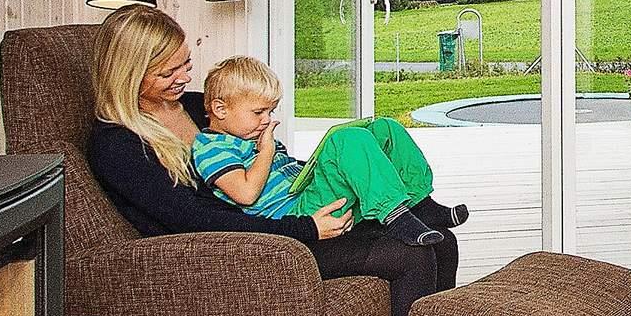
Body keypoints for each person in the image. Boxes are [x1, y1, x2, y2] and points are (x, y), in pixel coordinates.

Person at [85, 4, 499, 316]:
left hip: (277, 225)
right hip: (234, 254)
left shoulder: (194, 106)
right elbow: (196, 221)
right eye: (168, 72)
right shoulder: (118, 145)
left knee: (442, 243)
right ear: (130, 72)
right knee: (410, 255)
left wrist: (325, 178)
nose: (184, 77)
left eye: (186, 64)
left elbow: (269, 169)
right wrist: (304, 229)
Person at [192, 55, 466, 249]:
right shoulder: (211, 147)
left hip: (307, 192)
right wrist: (267, 150)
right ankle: (395, 216)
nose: (267, 120)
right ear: (220, 109)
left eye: (270, 111)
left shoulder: (252, 135)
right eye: (258, 112)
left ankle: (421, 203)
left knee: (386, 128)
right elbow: (245, 194)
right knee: (345, 140)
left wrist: (317, 165)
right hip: (296, 213)